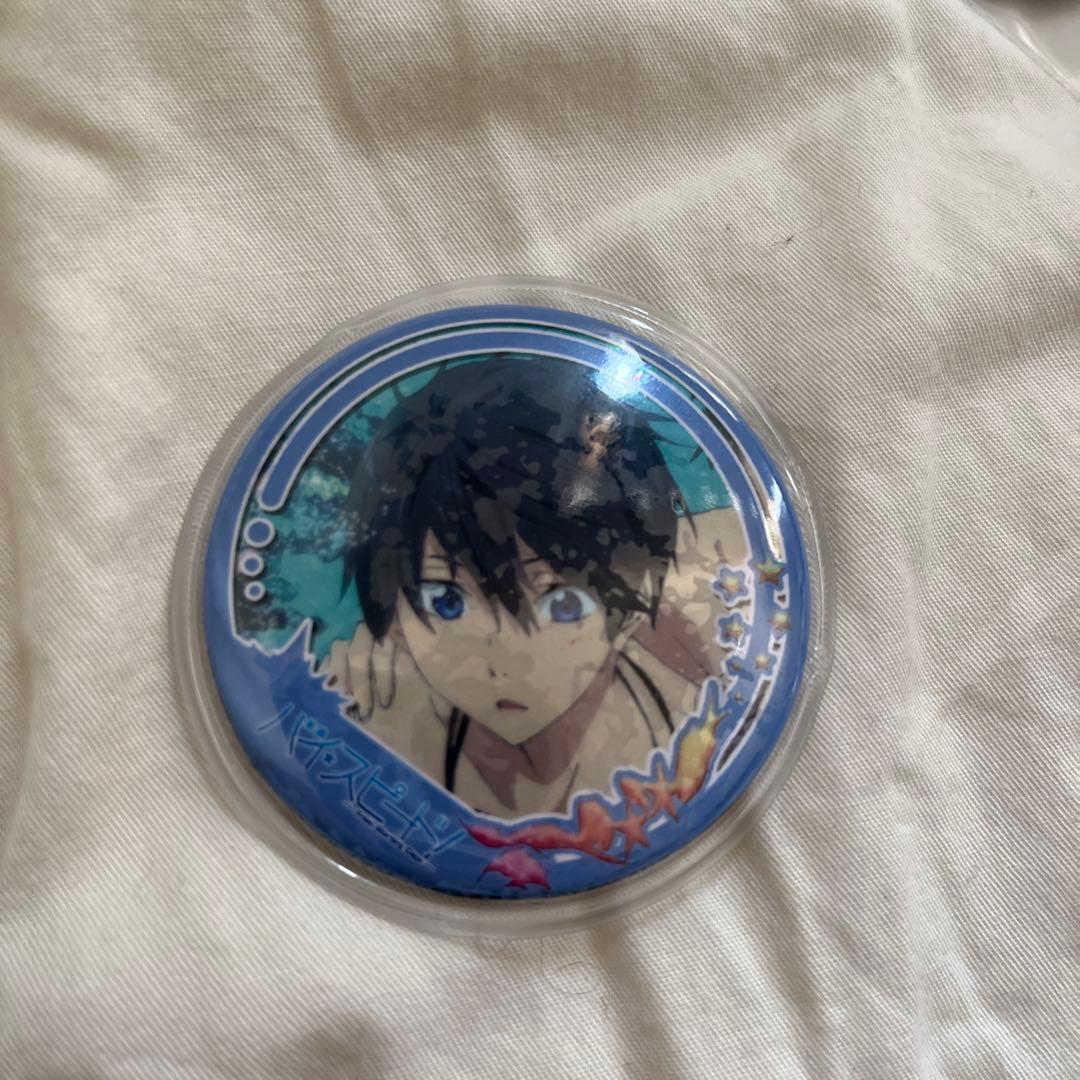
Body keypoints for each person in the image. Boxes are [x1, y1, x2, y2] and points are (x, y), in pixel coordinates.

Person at [323, 355, 746, 819]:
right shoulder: (385, 716)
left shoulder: (696, 647)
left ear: (629, 610)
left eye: (562, 604)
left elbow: (730, 539)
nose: (504, 660)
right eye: (446, 601)